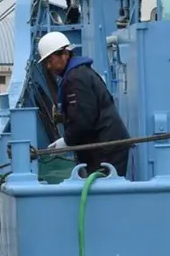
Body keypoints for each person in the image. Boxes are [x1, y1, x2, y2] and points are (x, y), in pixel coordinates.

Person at [37, 32, 131, 176]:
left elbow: (83, 118)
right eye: (46, 63)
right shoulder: (79, 73)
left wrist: (67, 141)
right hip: (104, 145)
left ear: (64, 54)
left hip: (106, 148)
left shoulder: (75, 79)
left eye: (50, 60)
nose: (49, 66)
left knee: (104, 193)